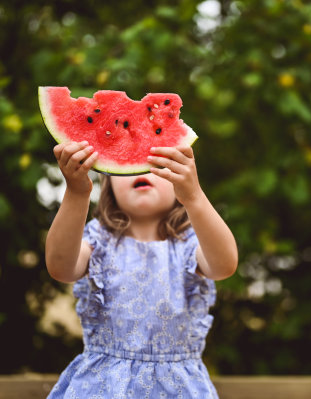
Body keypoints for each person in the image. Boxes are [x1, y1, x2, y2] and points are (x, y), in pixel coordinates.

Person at [45, 140, 238, 398]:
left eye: (157, 162)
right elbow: (60, 267)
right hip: (102, 387)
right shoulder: (98, 240)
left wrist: (194, 196)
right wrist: (77, 192)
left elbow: (224, 265)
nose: (143, 170)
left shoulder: (190, 244)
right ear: (109, 182)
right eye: (129, 162)